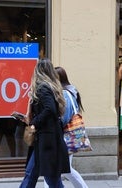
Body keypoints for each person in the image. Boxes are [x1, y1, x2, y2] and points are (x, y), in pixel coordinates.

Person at [19, 59, 70, 188]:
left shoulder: (43, 88)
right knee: (32, 173)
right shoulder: (51, 87)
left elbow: (50, 109)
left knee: (51, 178)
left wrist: (34, 123)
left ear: (39, 72)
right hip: (45, 139)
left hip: (47, 140)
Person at [44, 66, 88, 188]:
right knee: (58, 169)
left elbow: (64, 117)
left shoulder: (65, 93)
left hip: (65, 136)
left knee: (62, 169)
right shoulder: (71, 91)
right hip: (68, 136)